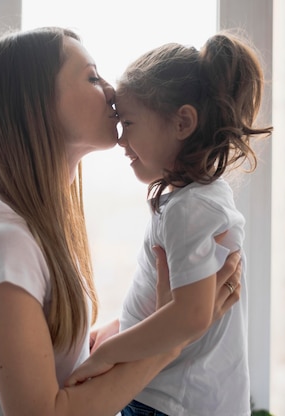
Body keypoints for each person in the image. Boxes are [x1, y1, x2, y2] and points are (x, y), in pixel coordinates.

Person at [0, 27, 242, 416]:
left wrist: (134, 329)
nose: (111, 90)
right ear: (36, 104)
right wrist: (173, 340)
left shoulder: (28, 229)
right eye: (92, 77)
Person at [65, 31, 273, 416]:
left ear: (182, 123)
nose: (121, 140)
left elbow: (190, 315)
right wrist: (120, 328)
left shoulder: (189, 209)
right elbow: (171, 299)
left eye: (128, 123)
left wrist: (108, 355)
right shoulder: (196, 198)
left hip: (171, 403)